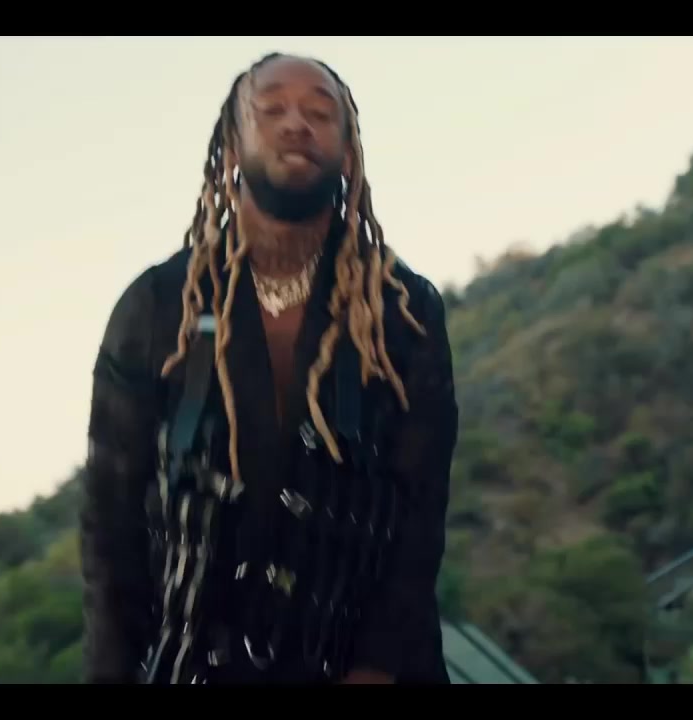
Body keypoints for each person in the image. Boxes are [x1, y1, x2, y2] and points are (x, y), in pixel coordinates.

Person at [79, 52, 458, 685]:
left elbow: (421, 514)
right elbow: (109, 525)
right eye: (272, 108)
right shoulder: (156, 307)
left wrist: (376, 667)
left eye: (320, 113)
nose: (296, 123)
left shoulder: (403, 310)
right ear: (233, 145)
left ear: (348, 153)